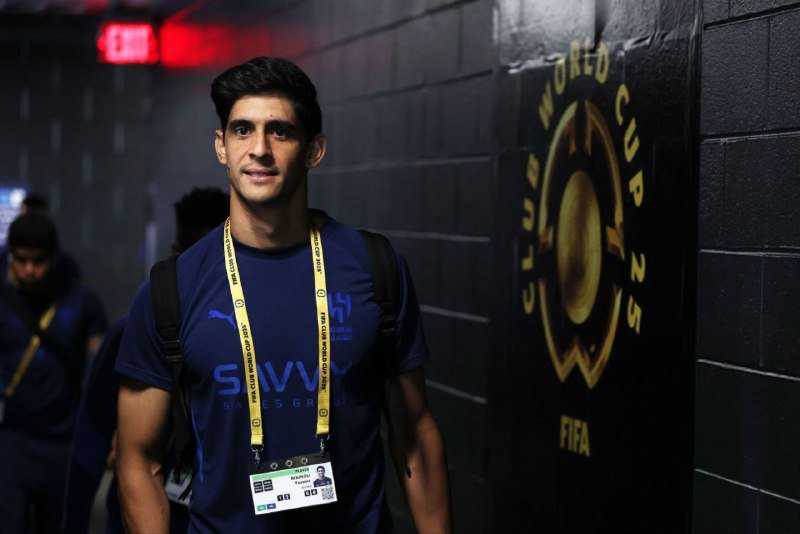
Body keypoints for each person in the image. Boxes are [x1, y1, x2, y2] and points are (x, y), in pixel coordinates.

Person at [116, 56, 451, 532]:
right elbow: (138, 459)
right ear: (221, 146)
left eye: (280, 131)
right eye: (242, 130)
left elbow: (414, 431)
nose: (259, 149)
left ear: (314, 149)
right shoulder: (171, 289)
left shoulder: (374, 267)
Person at [61, 187, 229, 534]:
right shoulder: (137, 329)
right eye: (194, 256)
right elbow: (90, 441)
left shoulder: (261, 334)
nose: (205, 272)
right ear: (176, 252)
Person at [0, 213, 107, 533]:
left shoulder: (82, 301)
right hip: (12, 439)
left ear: (54, 258)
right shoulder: (3, 302)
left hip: (65, 441)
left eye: (38, 261)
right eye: (21, 260)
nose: (29, 270)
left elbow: (102, 367)